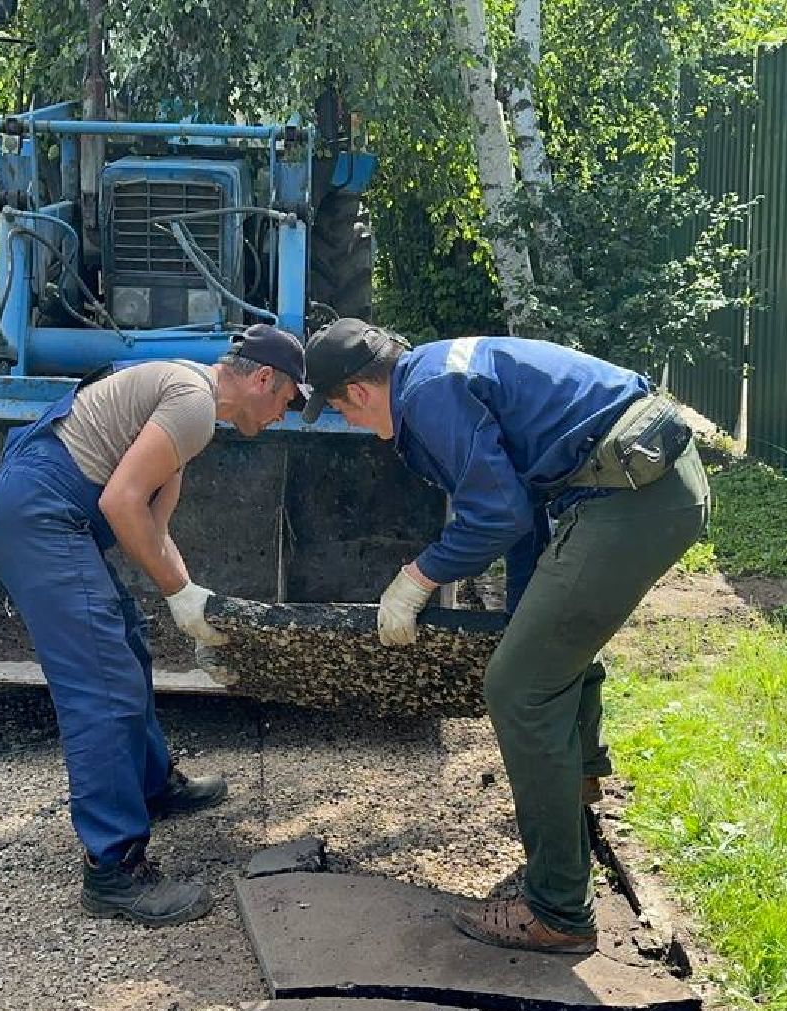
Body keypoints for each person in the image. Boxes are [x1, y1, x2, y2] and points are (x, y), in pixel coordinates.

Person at [301, 319, 710, 953]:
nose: (347, 421)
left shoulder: (426, 396)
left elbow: (498, 513)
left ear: (355, 391)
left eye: (334, 407)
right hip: (636, 480)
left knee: (520, 687)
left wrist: (417, 578)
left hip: (633, 495)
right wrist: (523, 616)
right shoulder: (436, 371)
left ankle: (558, 911)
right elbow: (525, 506)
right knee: (545, 650)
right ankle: (573, 807)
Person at [0, 325, 307, 926]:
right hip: (40, 511)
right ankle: (114, 870)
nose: (283, 415)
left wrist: (190, 600)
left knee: (126, 643)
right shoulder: (194, 406)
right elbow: (120, 504)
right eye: (287, 401)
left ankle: (153, 786)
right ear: (262, 379)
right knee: (102, 685)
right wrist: (178, 593)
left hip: (43, 504)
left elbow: (152, 523)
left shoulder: (187, 398)